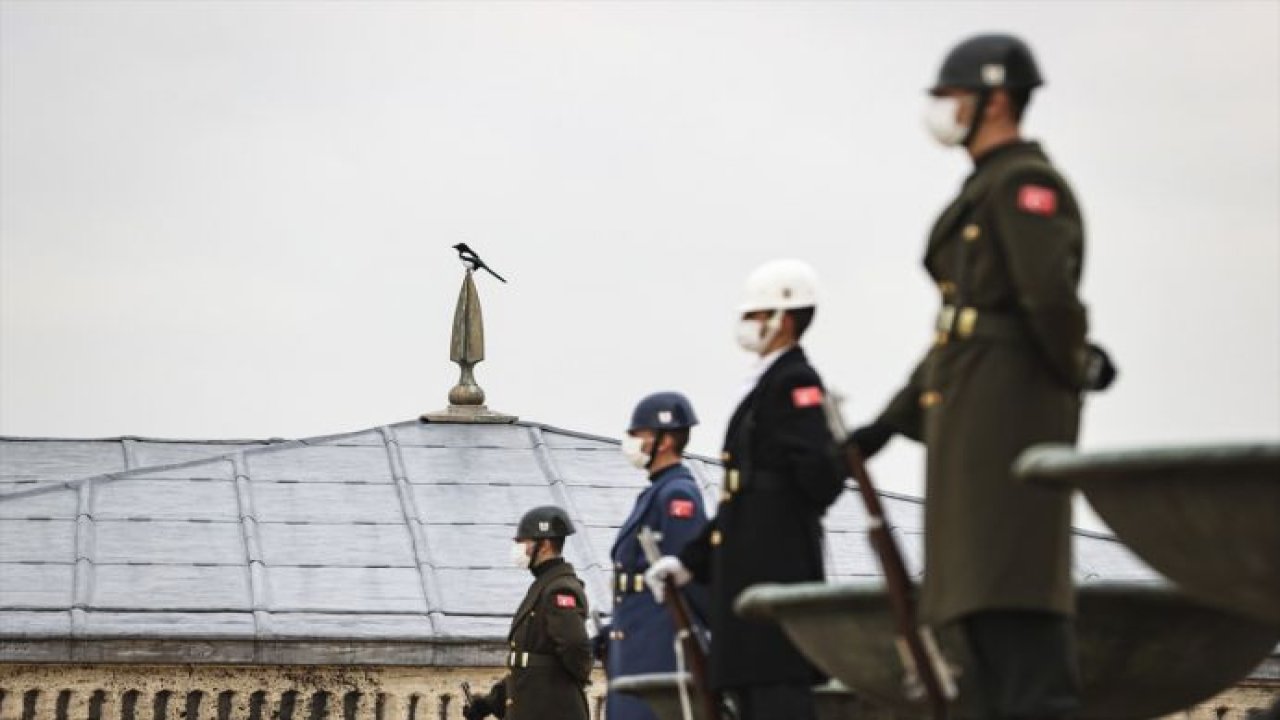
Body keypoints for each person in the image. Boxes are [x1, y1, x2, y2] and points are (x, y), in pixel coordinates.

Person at [848, 33, 1109, 719]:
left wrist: (1072, 373)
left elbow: (1049, 305)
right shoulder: (987, 187)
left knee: (1021, 636)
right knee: (980, 637)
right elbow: (959, 329)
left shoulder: (1025, 186)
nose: (940, 110)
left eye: (951, 96)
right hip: (972, 433)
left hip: (1007, 435)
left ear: (996, 100)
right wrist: (888, 422)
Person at [646, 259, 845, 720]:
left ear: (785, 318)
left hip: (776, 573)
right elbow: (740, 498)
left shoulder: (795, 381)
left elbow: (817, 479)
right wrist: (690, 561)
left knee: (777, 702)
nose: (749, 326)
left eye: (757, 316)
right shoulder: (764, 383)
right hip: (748, 576)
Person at [600, 391, 711, 720]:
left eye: (637, 434)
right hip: (634, 634)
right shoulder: (656, 492)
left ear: (663, 441)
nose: (630, 442)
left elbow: (688, 575)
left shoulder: (678, 495)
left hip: (658, 638)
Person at [464, 506, 592, 720]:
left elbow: (575, 647)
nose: (518, 548)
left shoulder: (559, 589)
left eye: (523, 542)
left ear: (545, 545)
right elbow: (530, 664)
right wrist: (489, 703)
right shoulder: (544, 586)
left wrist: (571, 684)